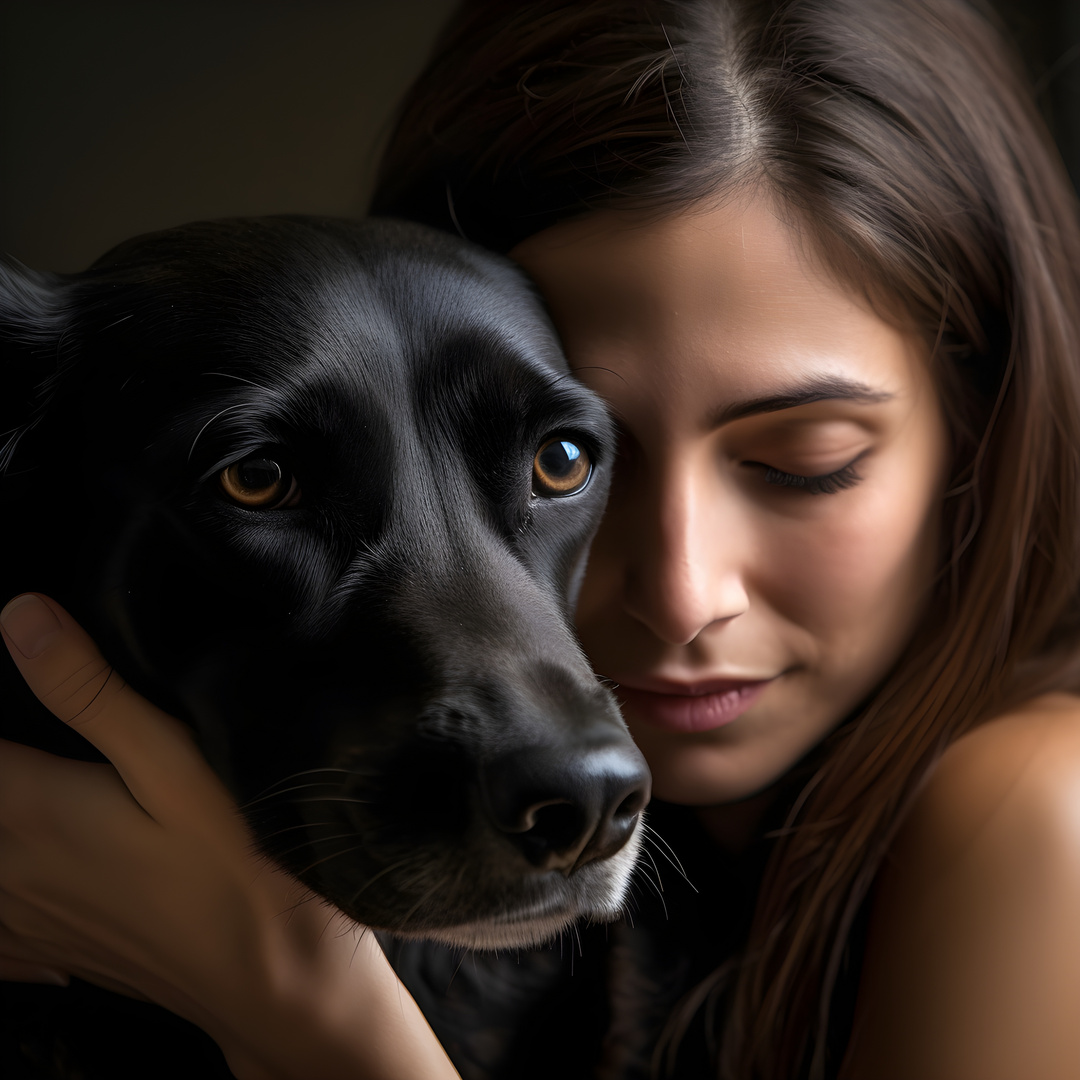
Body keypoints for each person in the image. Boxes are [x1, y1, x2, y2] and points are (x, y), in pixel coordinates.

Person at [3, 0, 1080, 1077]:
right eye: (599, 457)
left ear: (981, 431)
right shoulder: (678, 887)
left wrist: (291, 998)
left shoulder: (1036, 814)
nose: (680, 591)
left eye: (803, 461)